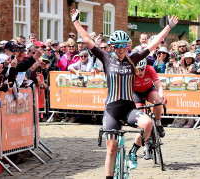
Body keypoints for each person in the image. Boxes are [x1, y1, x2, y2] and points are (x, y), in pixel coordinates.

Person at [70, 9, 178, 178]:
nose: (121, 49)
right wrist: (76, 22)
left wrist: (168, 27)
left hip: (129, 108)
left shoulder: (133, 59)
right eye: (117, 46)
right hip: (112, 110)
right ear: (112, 46)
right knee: (111, 149)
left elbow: (153, 44)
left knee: (148, 124)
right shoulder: (106, 58)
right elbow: (87, 40)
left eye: (124, 46)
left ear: (128, 46)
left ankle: (133, 152)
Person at [133, 58, 166, 160]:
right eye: (138, 70)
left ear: (145, 67)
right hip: (136, 93)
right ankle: (146, 145)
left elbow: (158, 85)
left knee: (158, 102)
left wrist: (162, 97)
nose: (140, 72)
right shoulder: (131, 73)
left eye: (142, 69)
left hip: (148, 90)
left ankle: (159, 123)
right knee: (141, 116)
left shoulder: (150, 69)